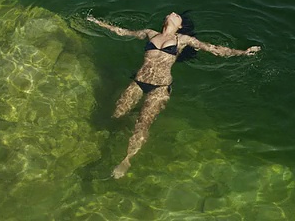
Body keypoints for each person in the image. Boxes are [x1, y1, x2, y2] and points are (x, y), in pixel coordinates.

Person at [86, 12, 261, 179]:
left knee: (143, 124)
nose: (173, 13)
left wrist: (242, 52)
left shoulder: (182, 39)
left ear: (180, 26)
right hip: (138, 82)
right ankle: (105, 139)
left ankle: (126, 160)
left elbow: (213, 49)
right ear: (165, 21)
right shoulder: (150, 33)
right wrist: (98, 23)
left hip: (160, 87)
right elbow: (123, 32)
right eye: (172, 13)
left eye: (177, 16)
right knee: (116, 114)